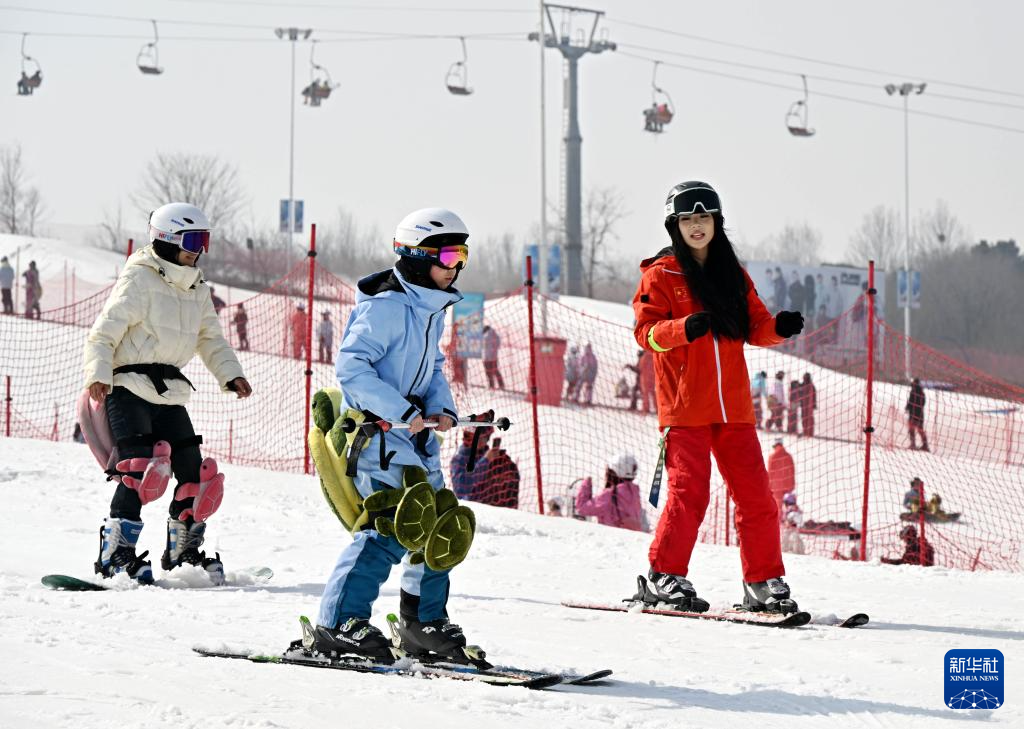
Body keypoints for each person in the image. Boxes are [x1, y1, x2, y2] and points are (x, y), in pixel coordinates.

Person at [314, 207, 480, 664]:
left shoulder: (432, 309)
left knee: (438, 526)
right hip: (379, 436)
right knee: (390, 526)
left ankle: (421, 623)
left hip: (416, 439)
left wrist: (439, 408)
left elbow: (433, 369)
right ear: (416, 254)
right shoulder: (386, 307)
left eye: (462, 254)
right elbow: (351, 369)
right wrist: (402, 410)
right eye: (448, 254)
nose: (457, 265)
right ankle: (339, 624)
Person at [631, 181, 805, 614]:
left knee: (757, 496)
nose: (697, 226)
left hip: (734, 410)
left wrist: (779, 327)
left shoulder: (733, 275)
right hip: (686, 408)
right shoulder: (661, 275)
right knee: (690, 492)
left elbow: (755, 326)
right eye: (688, 219)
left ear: (716, 223)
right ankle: (664, 577)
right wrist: (682, 329)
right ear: (675, 225)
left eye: (704, 217)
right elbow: (645, 334)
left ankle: (763, 582)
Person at [82, 202, 252, 585]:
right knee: (139, 472)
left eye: (204, 241)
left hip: (170, 391)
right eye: (193, 240)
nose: (199, 250)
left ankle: (183, 552)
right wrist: (98, 373)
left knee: (196, 475)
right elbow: (104, 331)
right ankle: (116, 553)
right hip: (127, 386)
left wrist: (232, 374)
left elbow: (211, 338)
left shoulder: (197, 287)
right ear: (168, 238)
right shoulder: (140, 279)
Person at [573, 454, 645, 531]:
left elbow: (581, 508)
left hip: (612, 538)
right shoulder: (635, 493)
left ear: (614, 472)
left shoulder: (610, 495)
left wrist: (586, 483)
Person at [767, 440, 795, 517]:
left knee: (778, 506)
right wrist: (792, 484)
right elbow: (792, 471)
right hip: (788, 484)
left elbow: (770, 472)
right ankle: (790, 522)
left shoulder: (772, 457)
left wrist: (769, 485)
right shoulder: (789, 456)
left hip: (776, 486)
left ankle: (778, 523)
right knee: (789, 505)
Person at [906, 377, 929, 451]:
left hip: (914, 413)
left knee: (912, 429)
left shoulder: (914, 391)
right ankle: (925, 445)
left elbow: (911, 402)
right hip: (919, 414)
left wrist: (908, 407)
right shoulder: (921, 392)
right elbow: (922, 403)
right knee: (919, 430)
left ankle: (913, 444)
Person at [481, 325, 504, 390]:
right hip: (494, 357)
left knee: (488, 372)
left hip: (487, 357)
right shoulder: (496, 335)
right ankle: (501, 384)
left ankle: (491, 385)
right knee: (495, 371)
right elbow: (498, 345)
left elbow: (483, 347)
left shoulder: (485, 336)